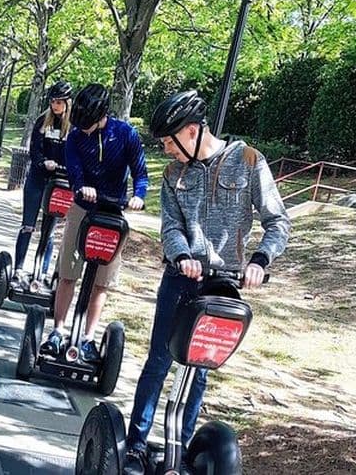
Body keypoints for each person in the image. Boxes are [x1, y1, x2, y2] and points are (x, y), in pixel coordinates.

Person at [122, 90, 291, 474]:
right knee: (159, 361)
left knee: (199, 369)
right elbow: (171, 226)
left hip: (223, 287)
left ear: (194, 130)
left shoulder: (248, 162)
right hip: (180, 280)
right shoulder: (172, 174)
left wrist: (260, 261)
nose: (167, 150)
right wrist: (181, 255)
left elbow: (277, 221)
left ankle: (180, 449)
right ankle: (134, 447)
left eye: (170, 141)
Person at [41, 83, 148, 363]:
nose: (84, 130)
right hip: (82, 207)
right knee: (68, 272)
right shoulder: (76, 137)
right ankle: (57, 331)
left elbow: (140, 172)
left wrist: (138, 196)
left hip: (114, 211)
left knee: (102, 281)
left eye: (88, 125)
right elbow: (75, 169)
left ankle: (88, 338)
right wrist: (81, 186)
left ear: (102, 115)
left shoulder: (125, 134)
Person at [12, 80, 73, 287]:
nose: (55, 105)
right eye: (53, 101)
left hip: (59, 183)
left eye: (59, 102)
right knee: (28, 225)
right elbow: (34, 149)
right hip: (38, 179)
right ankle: (18, 269)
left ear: (67, 102)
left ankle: (43, 273)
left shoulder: (73, 128)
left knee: (49, 229)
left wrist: (68, 169)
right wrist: (42, 162)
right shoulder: (42, 121)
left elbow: (75, 155)